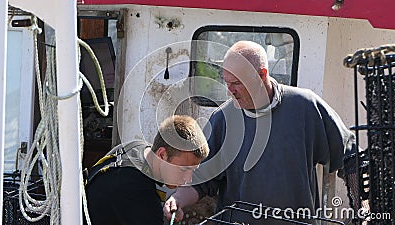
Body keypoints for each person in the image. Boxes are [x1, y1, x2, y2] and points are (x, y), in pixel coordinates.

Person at [163, 41, 357, 224]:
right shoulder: (222, 119)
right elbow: (201, 181)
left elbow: (352, 158)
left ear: (262, 75)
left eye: (237, 83)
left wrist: (362, 206)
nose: (230, 91)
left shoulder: (305, 107)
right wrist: (177, 199)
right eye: (227, 82)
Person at [85, 115, 209, 225]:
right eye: (183, 169)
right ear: (162, 155)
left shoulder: (136, 148)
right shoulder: (136, 190)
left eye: (193, 170)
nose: (188, 179)